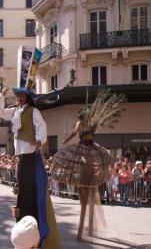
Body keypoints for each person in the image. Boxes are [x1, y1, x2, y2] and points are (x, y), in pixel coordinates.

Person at [52, 88, 126, 240]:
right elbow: (77, 133)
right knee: (87, 201)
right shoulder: (89, 123)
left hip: (87, 151)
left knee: (85, 202)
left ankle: (83, 231)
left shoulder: (85, 123)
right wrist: (70, 139)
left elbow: (74, 133)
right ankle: (86, 230)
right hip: (88, 151)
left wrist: (67, 140)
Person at [0, 86, 47, 222]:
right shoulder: (15, 111)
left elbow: (41, 125)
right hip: (20, 153)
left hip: (29, 151)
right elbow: (0, 112)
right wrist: (1, 96)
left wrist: (40, 140)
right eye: (19, 96)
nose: (20, 98)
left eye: (23, 96)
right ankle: (22, 214)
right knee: (22, 184)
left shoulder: (33, 111)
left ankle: (27, 214)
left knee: (26, 185)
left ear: (27, 98)